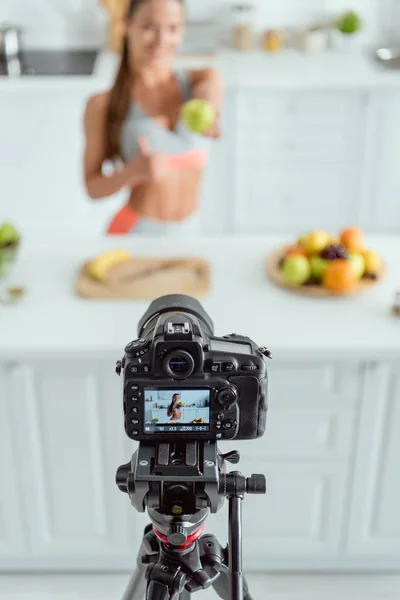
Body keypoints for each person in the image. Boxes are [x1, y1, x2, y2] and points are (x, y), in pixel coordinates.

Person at [83, 0, 223, 236]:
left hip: (191, 230)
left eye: (173, 28)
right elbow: (92, 187)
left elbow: (213, 81)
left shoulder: (199, 84)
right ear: (126, 25)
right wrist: (132, 172)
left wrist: (210, 108)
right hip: (137, 232)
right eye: (149, 27)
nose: (162, 40)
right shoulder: (103, 104)